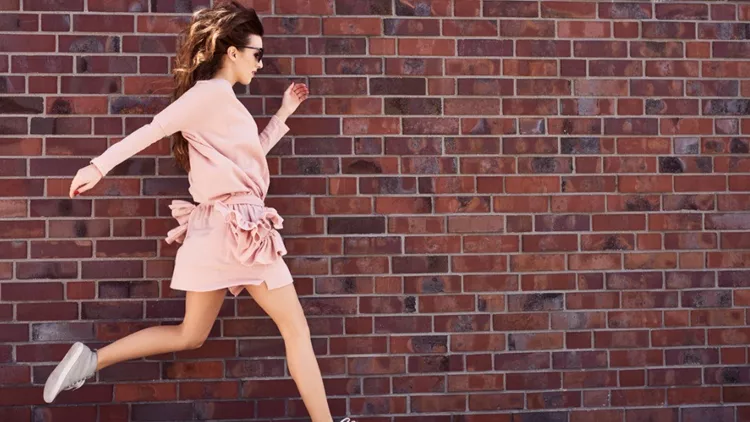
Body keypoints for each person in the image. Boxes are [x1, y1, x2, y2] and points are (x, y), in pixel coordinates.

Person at [43, 3, 352, 421]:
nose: (261, 63)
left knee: (190, 335)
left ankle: (90, 362)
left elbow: (245, 163)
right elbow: (152, 130)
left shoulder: (220, 100)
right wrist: (97, 167)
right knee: (296, 329)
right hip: (239, 230)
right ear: (233, 52)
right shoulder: (208, 95)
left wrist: (282, 116)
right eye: (257, 54)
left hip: (217, 228)